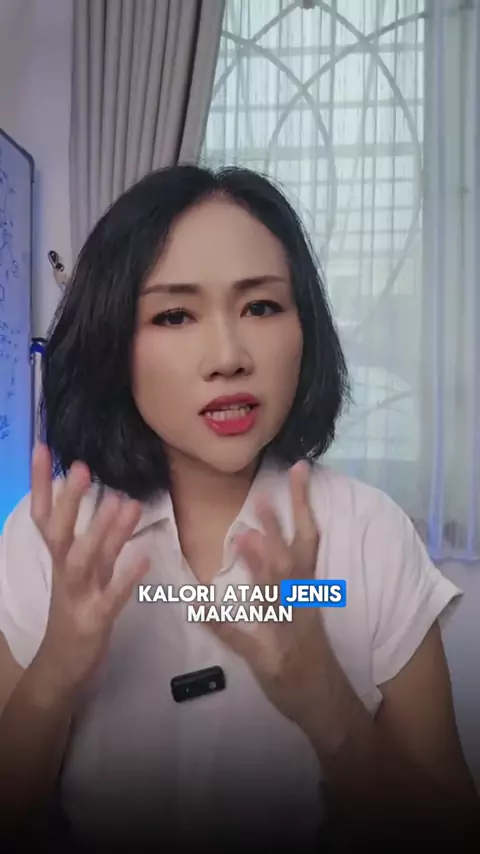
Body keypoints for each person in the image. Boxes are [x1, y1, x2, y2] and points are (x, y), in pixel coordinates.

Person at [0, 165, 477, 853]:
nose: (228, 357)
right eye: (174, 315)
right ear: (112, 343)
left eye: (261, 307)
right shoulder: (53, 537)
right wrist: (56, 670)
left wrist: (327, 705)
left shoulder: (368, 534)